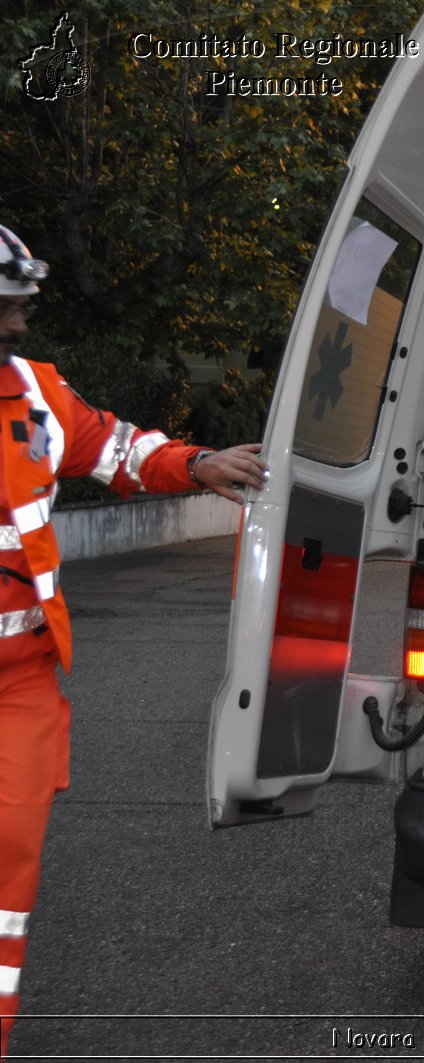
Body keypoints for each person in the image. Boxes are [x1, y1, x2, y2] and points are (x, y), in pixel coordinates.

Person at [0, 223, 268, 1058]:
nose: (21, 317)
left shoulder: (35, 392)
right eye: (8, 304)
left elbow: (113, 446)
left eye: (21, 302)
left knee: (9, 874)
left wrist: (194, 464)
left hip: (20, 680)